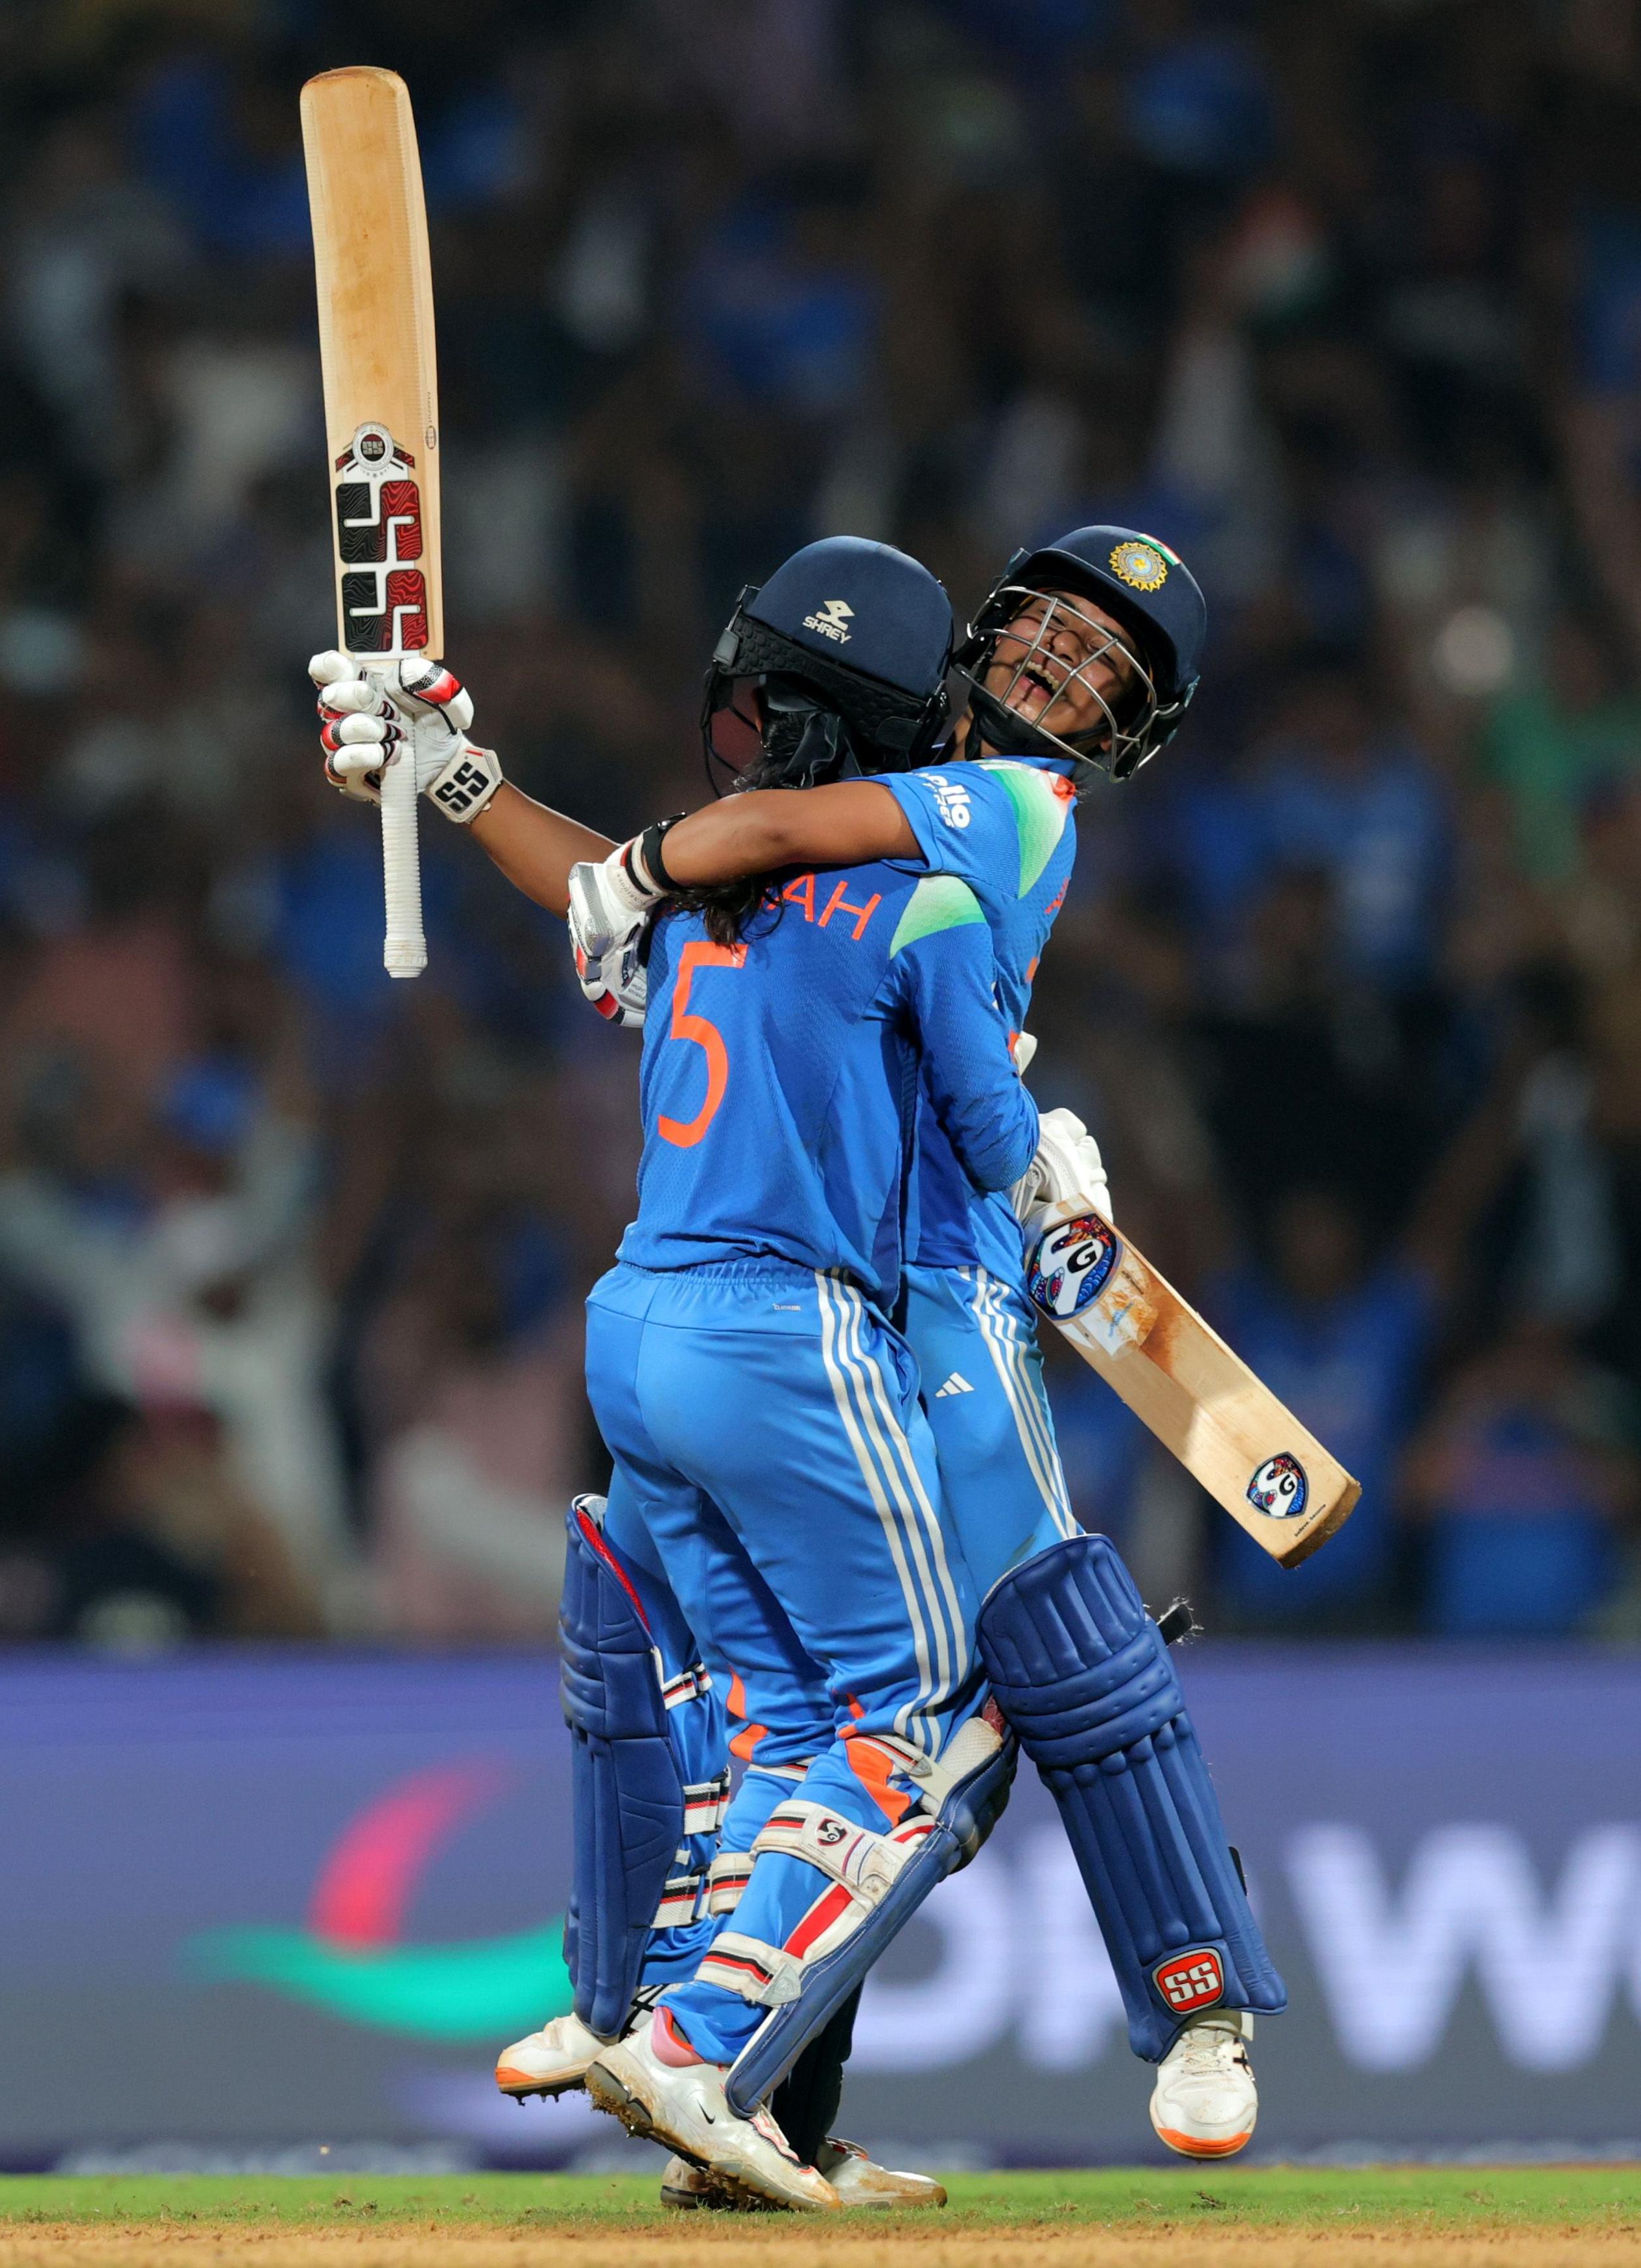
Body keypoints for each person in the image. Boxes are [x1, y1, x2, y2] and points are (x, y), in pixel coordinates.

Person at [310, 526, 1283, 2189]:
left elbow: (690, 855)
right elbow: (651, 882)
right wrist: (453, 776)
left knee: (1043, 1655)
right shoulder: (875, 763)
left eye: (1106, 662)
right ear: (982, 626)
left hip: (939, 1289)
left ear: (1126, 724)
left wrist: (1030, 1153)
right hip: (811, 1300)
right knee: (792, 1702)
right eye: (1050, 624)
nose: (1061, 663)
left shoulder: (1010, 803)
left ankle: (1197, 2002)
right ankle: (714, 2062)